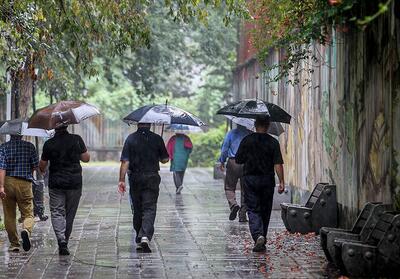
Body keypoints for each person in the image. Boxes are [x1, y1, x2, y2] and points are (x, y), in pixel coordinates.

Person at [236, 115, 285, 252]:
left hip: (250, 179)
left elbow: (239, 159)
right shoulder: (273, 142)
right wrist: (281, 181)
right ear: (268, 125)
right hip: (267, 180)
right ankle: (262, 236)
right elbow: (278, 164)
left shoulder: (247, 140)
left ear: (255, 124)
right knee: (265, 209)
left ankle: (258, 235)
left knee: (252, 209)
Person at [118, 123, 169, 253]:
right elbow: (165, 160)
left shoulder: (131, 138)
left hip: (135, 177)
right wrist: (158, 154)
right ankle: (145, 236)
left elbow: (125, 161)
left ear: (138, 124)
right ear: (150, 124)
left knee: (138, 208)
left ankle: (140, 237)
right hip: (152, 177)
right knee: (150, 207)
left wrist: (121, 180)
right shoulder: (157, 138)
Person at [39, 125, 90, 255]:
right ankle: (65, 240)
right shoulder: (76, 139)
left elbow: (42, 166)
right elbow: (86, 158)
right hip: (74, 182)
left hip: (56, 182)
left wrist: (43, 170)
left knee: (57, 211)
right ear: (67, 126)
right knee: (69, 214)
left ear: (54, 128)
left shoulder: (49, 144)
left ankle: (61, 240)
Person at [0, 135, 39, 252]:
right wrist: (29, 175)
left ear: (10, 134)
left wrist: (1, 186)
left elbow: (1, 168)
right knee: (28, 213)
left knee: (9, 215)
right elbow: (35, 166)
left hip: (8, 182)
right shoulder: (30, 147)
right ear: (22, 134)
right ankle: (26, 230)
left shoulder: (3, 147)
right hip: (25, 183)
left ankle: (14, 244)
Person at [219, 124, 251, 222]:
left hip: (233, 162)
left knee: (229, 187)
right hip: (247, 163)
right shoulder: (250, 134)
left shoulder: (231, 134)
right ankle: (242, 215)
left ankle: (233, 205)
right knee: (246, 189)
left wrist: (222, 161)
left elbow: (224, 149)